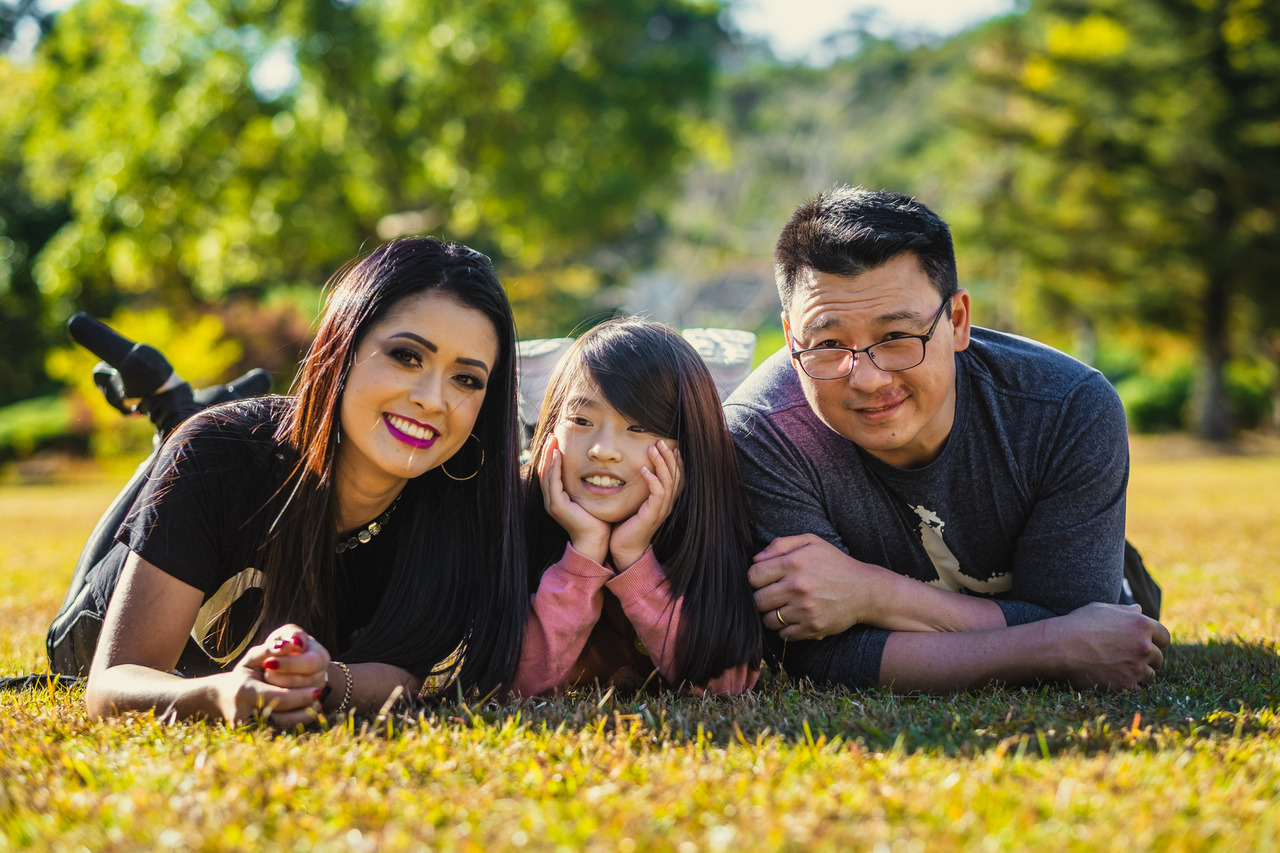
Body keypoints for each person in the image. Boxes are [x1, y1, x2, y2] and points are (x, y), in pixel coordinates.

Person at [724, 186, 1171, 693]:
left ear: (957, 321)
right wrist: (1053, 646)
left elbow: (1082, 623)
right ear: (790, 338)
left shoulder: (1066, 405)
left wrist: (873, 596)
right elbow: (819, 652)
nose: (866, 379)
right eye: (828, 344)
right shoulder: (763, 431)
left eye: (896, 337)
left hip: (1107, 590)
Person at [69, 236, 527, 725]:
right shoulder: (219, 456)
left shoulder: (461, 504)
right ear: (343, 349)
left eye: (467, 379)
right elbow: (113, 681)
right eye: (407, 356)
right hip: (87, 626)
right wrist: (217, 696)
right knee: (193, 442)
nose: (434, 400)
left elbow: (405, 673)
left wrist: (325, 680)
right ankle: (176, 415)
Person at [510, 319, 762, 697]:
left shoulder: (716, 518)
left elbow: (722, 683)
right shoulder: (514, 510)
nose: (602, 450)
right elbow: (512, 684)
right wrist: (582, 555)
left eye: (639, 427)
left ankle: (725, 378)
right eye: (581, 420)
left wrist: (635, 559)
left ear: (686, 445)